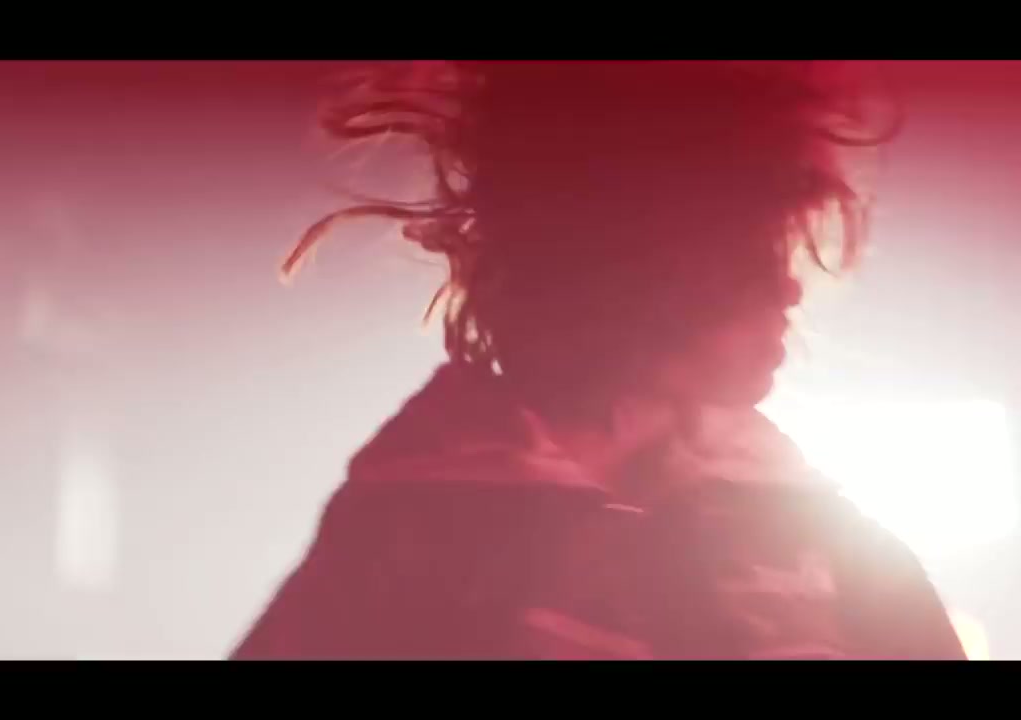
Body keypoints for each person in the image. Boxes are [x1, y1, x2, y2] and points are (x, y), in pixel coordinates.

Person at [231, 61, 967, 660]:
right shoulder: (410, 533)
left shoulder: (830, 540)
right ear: (638, 262)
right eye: (750, 253)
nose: (789, 287)